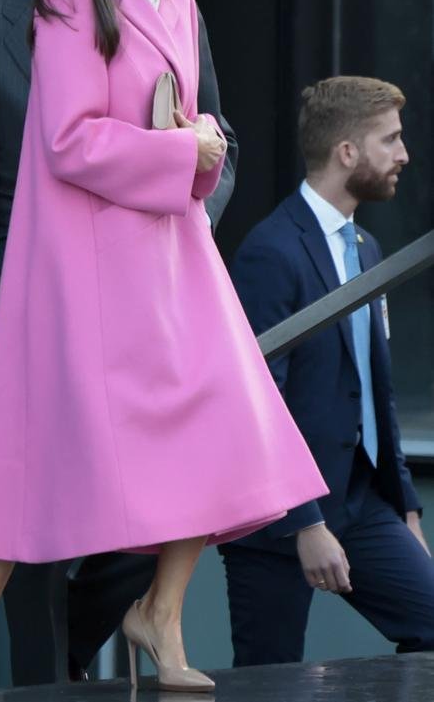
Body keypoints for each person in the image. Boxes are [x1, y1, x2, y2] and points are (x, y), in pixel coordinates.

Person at [0, 0, 326, 694]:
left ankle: (161, 612)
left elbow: (202, 125)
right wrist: (184, 149)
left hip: (170, 251)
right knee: (27, 449)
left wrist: (202, 148)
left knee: (225, 416)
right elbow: (69, 141)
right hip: (85, 257)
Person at [219, 75, 434, 666]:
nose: (403, 155)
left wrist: (407, 510)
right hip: (279, 517)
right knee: (269, 680)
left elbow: (375, 390)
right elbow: (259, 399)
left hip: (361, 502)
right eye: (389, 139)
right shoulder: (271, 251)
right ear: (347, 152)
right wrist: (304, 523)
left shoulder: (365, 247)